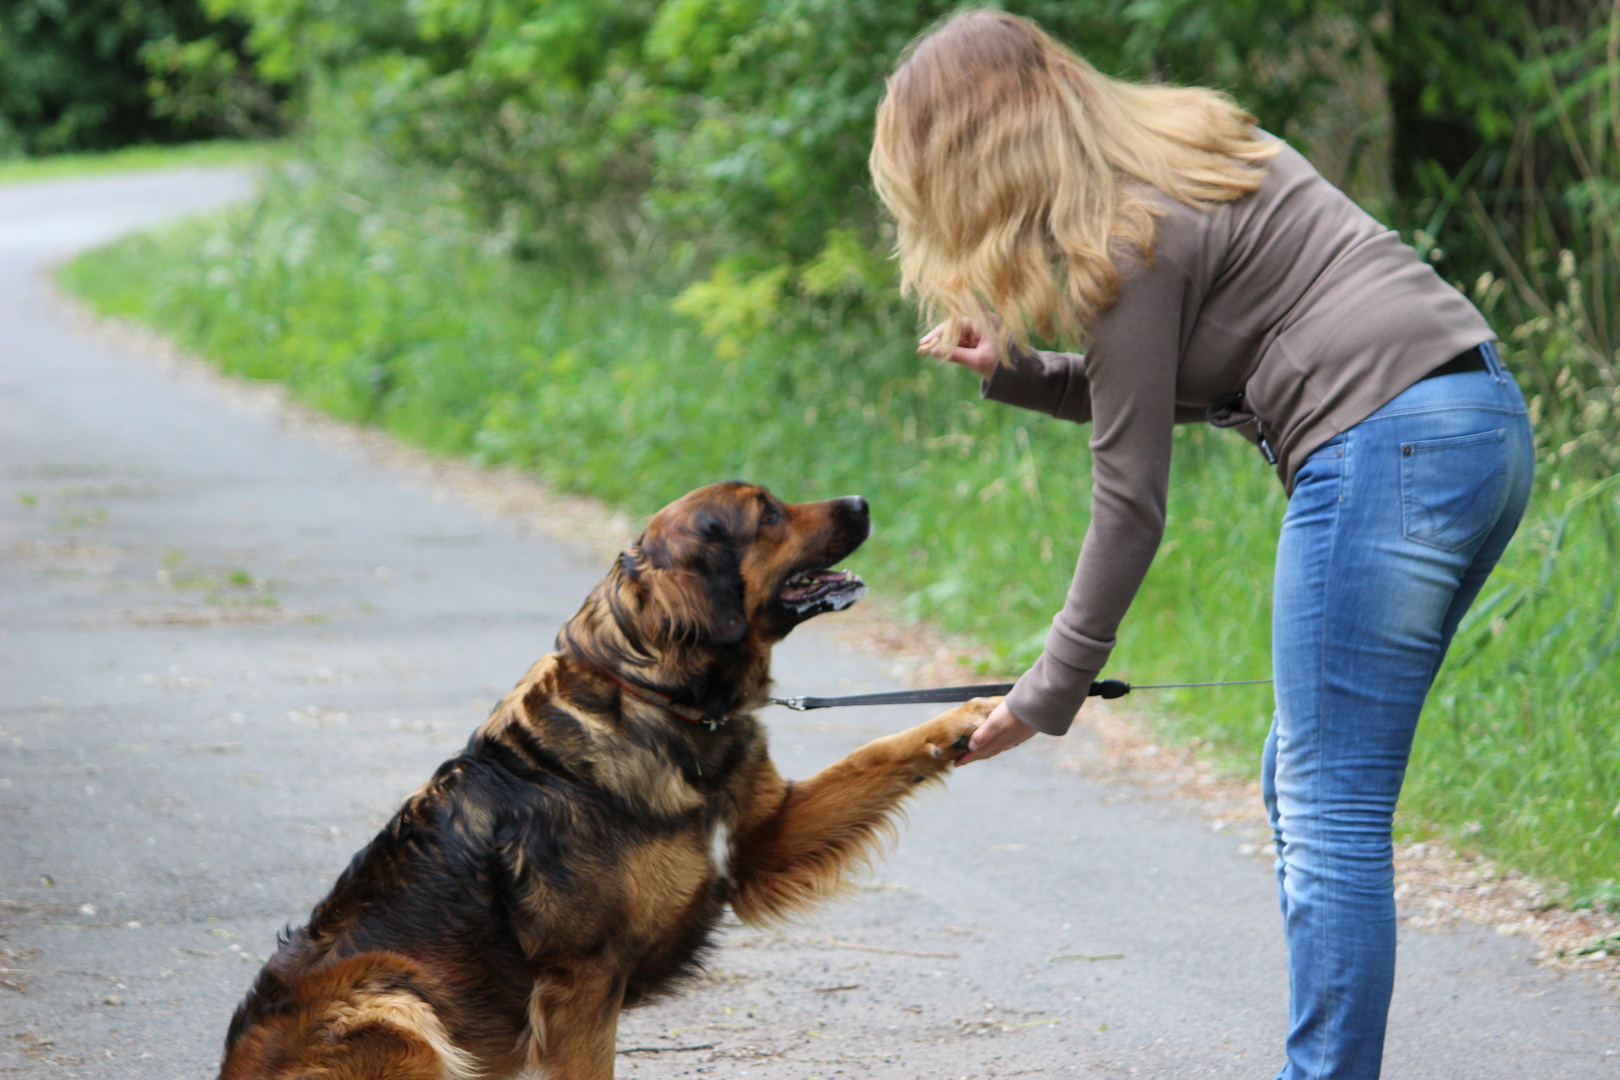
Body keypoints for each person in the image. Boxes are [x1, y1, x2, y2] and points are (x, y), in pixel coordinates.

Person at [867, 10, 1534, 1080]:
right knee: (1305, 779)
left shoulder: (1122, 236)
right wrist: (1017, 372)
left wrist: (1046, 693)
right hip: (1478, 428)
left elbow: (1130, 505)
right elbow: (1171, 379)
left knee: (1330, 810)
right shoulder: (1189, 152)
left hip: (1385, 451)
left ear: (972, 158)